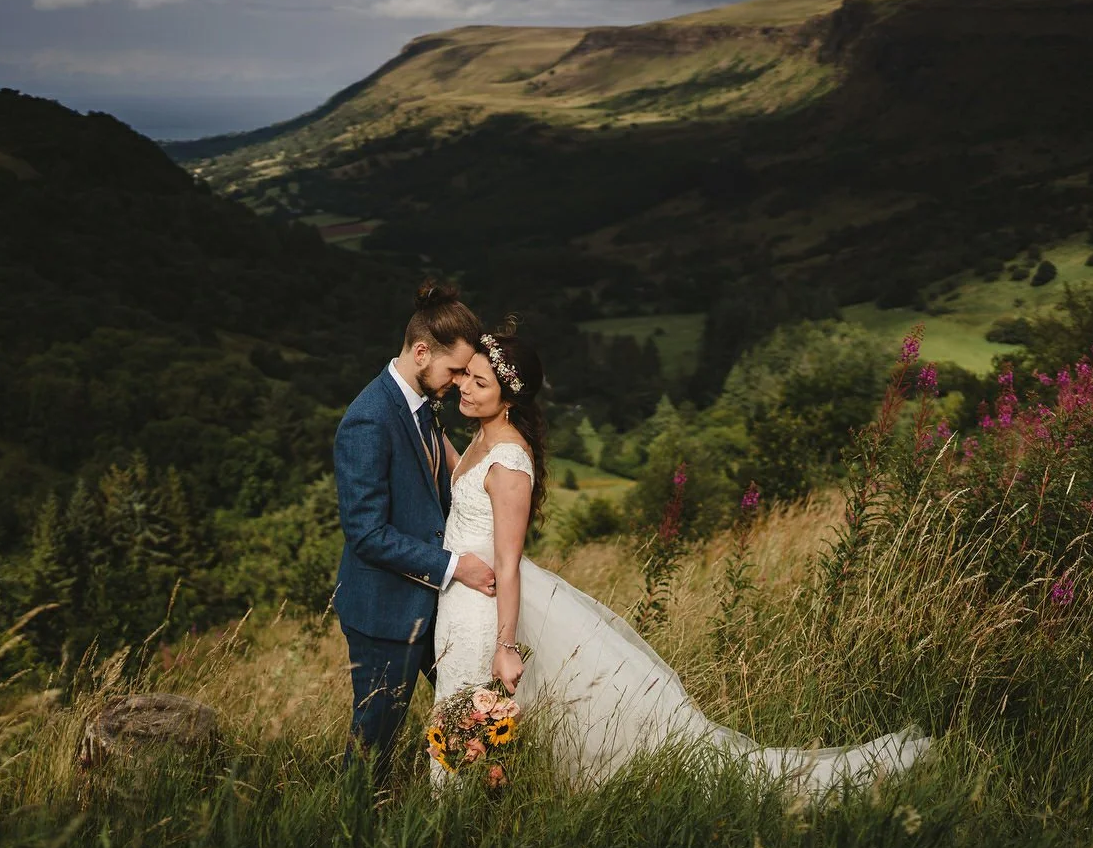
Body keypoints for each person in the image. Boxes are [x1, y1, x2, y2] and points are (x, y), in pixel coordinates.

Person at [431, 328, 931, 790]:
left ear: (510, 398)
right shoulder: (481, 440)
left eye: (479, 382)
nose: (465, 389)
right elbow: (468, 481)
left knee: (473, 713)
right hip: (459, 598)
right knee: (461, 713)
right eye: (465, 377)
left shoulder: (511, 462)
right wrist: (425, 434)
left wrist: (505, 644)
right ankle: (462, 808)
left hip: (484, 604)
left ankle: (456, 813)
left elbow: (510, 560)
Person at [332, 281, 498, 790]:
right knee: (375, 740)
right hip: (385, 611)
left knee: (475, 716)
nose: (457, 383)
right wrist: (455, 566)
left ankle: (485, 802)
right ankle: (352, 834)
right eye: (453, 371)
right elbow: (367, 533)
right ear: (421, 351)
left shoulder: (423, 405)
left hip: (431, 603)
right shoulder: (368, 419)